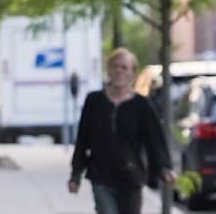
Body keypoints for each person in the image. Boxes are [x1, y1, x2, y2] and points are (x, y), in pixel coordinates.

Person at [67, 48, 177, 214]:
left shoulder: (141, 105)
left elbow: (154, 139)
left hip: (131, 177)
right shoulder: (94, 102)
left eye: (124, 67)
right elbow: (82, 139)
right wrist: (76, 174)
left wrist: (164, 168)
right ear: (108, 70)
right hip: (101, 176)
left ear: (132, 73)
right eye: (114, 66)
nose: (118, 71)